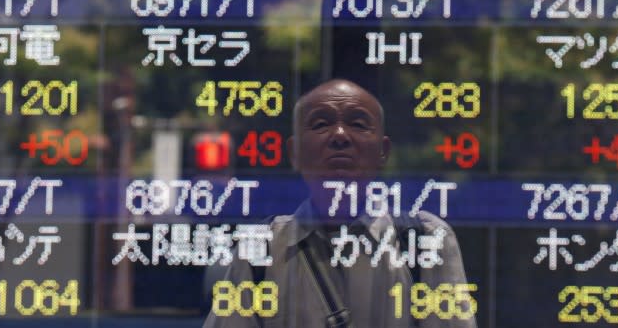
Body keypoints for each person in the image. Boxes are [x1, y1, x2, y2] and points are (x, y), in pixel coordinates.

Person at [204, 79, 477, 327]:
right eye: (321, 124)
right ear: (294, 152)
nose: (340, 136)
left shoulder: (425, 240)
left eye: (358, 124)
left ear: (383, 152)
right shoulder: (259, 248)